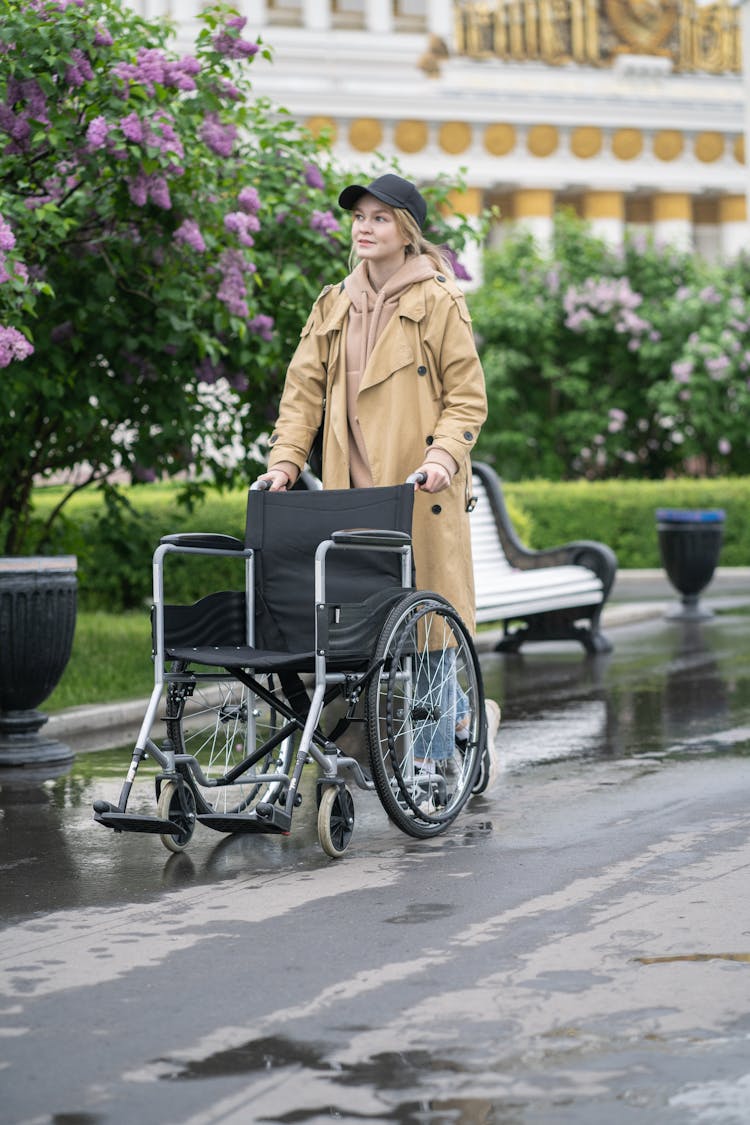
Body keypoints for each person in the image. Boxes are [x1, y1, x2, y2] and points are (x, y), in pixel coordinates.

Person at [258, 172, 500, 788]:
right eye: (359, 218)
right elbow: (302, 393)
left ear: (406, 231)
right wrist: (286, 460)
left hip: (421, 490)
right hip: (352, 496)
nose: (364, 228)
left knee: (430, 627)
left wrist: (444, 458)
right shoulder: (333, 303)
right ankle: (462, 723)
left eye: (379, 218)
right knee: (362, 626)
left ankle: (432, 756)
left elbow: (467, 400)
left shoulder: (439, 301)